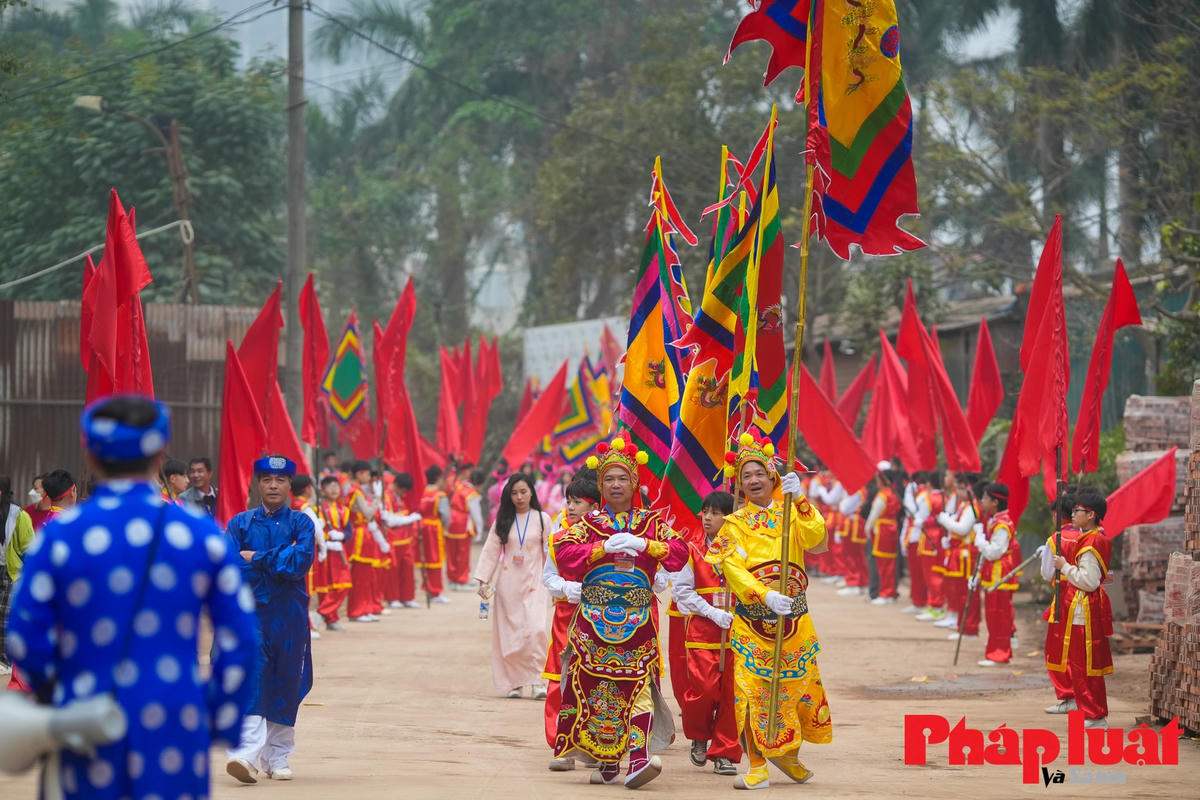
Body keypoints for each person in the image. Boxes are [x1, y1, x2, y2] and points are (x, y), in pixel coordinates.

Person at [6, 395, 258, 798]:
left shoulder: (59, 537)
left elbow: (23, 636)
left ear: (90, 457)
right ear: (160, 454)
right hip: (175, 724)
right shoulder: (200, 535)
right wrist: (215, 718)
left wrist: (62, 699)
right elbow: (241, 639)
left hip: (82, 724)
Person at [550, 438, 688, 789]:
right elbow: (564, 555)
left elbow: (680, 552)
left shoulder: (650, 523)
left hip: (637, 621)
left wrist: (645, 544)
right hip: (593, 621)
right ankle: (609, 761)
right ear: (600, 485)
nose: (615, 484)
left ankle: (638, 758)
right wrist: (601, 548)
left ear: (635, 484)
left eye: (622, 478)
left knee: (639, 682)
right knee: (597, 686)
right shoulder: (589, 525)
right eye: (609, 478)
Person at [705, 431, 832, 790]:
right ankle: (758, 765)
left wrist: (802, 500)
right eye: (746, 476)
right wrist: (762, 594)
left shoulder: (791, 512)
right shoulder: (734, 524)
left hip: (795, 623)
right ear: (740, 485)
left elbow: (815, 539)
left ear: (773, 477)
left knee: (798, 691)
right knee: (750, 694)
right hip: (753, 624)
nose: (754, 480)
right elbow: (730, 565)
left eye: (760, 473)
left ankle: (787, 753)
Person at [224, 455, 316, 784]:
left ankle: (278, 755)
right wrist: (279, 559)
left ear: (290, 484)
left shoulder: (302, 523)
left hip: (289, 614)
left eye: (279, 480)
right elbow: (230, 566)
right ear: (257, 484)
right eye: (266, 480)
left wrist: (258, 557)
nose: (273, 485)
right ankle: (245, 754)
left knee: (287, 680)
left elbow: (299, 563)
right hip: (249, 615)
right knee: (252, 676)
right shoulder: (239, 524)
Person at [672, 490, 740, 777]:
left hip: (736, 631)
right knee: (703, 690)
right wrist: (711, 612)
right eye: (706, 512)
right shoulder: (693, 549)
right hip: (702, 631)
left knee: (730, 694)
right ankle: (700, 734)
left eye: (716, 513)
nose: (708, 518)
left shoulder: (741, 549)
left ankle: (724, 752)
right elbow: (681, 591)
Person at [472, 473, 552, 698]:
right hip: (508, 585)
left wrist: (555, 581)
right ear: (508, 495)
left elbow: (549, 552)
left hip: (535, 582)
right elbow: (490, 550)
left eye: (523, 492)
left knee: (536, 630)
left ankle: (537, 681)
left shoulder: (542, 519)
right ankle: (514, 682)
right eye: (514, 493)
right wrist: (483, 579)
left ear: (532, 493)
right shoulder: (502, 520)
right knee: (510, 635)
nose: (519, 497)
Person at [1040, 488, 1113, 729]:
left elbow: (1089, 581)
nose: (1073, 514)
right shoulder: (1090, 538)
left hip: (1085, 609)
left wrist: (1065, 567)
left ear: (1090, 514)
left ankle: (1095, 713)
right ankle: (1089, 710)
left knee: (1086, 665)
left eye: (1078, 511)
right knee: (1081, 665)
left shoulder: (1092, 542)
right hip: (1080, 608)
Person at [542, 478, 599, 770]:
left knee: (596, 681)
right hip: (565, 617)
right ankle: (561, 745)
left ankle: (594, 745)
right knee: (559, 681)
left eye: (578, 502)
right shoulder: (560, 535)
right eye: (569, 502)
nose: (571, 507)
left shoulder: (609, 537)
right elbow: (548, 577)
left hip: (600, 619)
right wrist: (569, 589)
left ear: (595, 506)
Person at [976, 483, 1021, 666]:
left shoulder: (1002, 524)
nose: (982, 501)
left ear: (995, 502)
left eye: (985, 498)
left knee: (999, 615)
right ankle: (995, 649)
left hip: (999, 575)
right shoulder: (995, 520)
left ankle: (1000, 653)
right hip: (992, 573)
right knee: (993, 615)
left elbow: (995, 552)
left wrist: (980, 542)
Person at [344, 461, 391, 622]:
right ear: (359, 473)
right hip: (360, 535)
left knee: (366, 576)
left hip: (365, 534)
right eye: (367, 474)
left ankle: (364, 608)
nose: (369, 477)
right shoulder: (355, 491)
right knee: (359, 576)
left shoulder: (357, 491)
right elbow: (369, 513)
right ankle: (356, 610)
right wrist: (378, 498)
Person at [935, 477, 980, 640]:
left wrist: (945, 520)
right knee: (957, 590)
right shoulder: (963, 505)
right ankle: (962, 625)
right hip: (958, 553)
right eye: (959, 489)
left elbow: (962, 529)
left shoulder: (972, 507)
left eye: (963, 489)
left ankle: (969, 628)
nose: (959, 492)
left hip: (967, 557)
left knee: (966, 593)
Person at [1, 475, 35, 674]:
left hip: (10, 572)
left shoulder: (18, 515)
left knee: (6, 618)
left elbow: (30, 547)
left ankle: (7, 663)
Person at [313, 476, 353, 630]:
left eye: (337, 486)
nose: (334, 489)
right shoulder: (318, 509)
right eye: (330, 486)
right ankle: (331, 618)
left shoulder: (344, 509)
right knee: (327, 586)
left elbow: (349, 531)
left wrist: (342, 536)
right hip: (325, 550)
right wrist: (327, 541)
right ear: (323, 490)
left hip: (339, 551)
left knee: (343, 584)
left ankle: (321, 613)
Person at [380, 473, 423, 608]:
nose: (404, 494)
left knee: (407, 569)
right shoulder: (386, 497)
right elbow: (389, 520)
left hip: (406, 539)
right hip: (393, 539)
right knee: (393, 570)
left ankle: (407, 597)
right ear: (397, 486)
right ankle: (392, 598)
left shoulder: (399, 497)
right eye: (403, 491)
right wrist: (410, 518)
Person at [912, 473, 948, 622]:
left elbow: (920, 519)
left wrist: (919, 522)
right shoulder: (946, 498)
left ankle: (936, 606)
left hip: (930, 539)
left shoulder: (929, 499)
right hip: (941, 538)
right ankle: (935, 603)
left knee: (931, 574)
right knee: (937, 572)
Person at [865, 468, 901, 604]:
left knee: (883, 564)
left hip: (882, 531)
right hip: (892, 529)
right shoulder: (894, 493)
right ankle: (889, 592)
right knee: (890, 563)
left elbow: (873, 516)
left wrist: (867, 529)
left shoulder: (882, 495)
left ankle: (886, 593)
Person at [446, 468, 485, 590]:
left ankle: (453, 579)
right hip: (463, 523)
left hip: (451, 521)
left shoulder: (459, 486)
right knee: (462, 553)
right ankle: (461, 580)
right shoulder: (471, 493)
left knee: (452, 552)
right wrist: (479, 530)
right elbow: (476, 514)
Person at [418, 465, 452, 603]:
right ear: (438, 478)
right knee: (436, 559)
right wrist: (445, 527)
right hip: (434, 529)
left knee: (425, 559)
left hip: (421, 527)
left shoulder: (421, 493)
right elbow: (445, 516)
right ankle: (436, 591)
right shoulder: (440, 495)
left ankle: (427, 588)